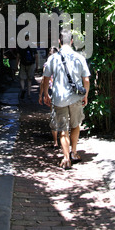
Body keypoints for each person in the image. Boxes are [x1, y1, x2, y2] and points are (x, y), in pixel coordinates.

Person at [42, 31, 90, 169]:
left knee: (63, 129)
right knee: (75, 125)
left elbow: (46, 78)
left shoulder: (53, 58)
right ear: (72, 41)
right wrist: (85, 95)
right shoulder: (79, 57)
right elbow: (86, 79)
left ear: (59, 41)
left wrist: (46, 94)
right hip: (75, 98)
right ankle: (74, 152)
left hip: (59, 98)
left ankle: (66, 158)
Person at [39, 47, 59, 149]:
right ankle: (64, 137)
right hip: (62, 91)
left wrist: (42, 94)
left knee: (54, 115)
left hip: (51, 91)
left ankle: (55, 141)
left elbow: (44, 79)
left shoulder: (47, 64)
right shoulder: (62, 63)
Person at [17, 34, 38, 99]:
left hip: (23, 64)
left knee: (22, 78)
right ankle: (29, 94)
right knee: (29, 80)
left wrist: (17, 65)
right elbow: (36, 56)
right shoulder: (33, 45)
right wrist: (37, 66)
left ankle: (23, 89)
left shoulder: (21, 46)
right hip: (31, 64)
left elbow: (18, 56)